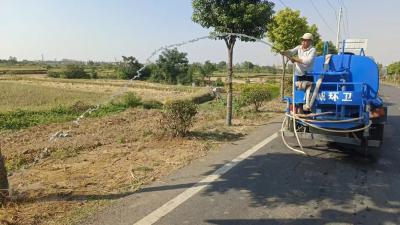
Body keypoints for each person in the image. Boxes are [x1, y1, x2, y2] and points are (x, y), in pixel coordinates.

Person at [283, 33, 317, 113]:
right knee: (298, 93)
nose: (303, 42)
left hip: (308, 74)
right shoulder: (299, 48)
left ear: (310, 42)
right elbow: (291, 52)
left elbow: (308, 61)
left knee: (308, 92)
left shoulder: (313, 50)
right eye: (303, 40)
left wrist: (295, 59)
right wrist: (285, 52)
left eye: (305, 40)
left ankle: (308, 109)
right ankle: (299, 110)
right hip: (299, 74)